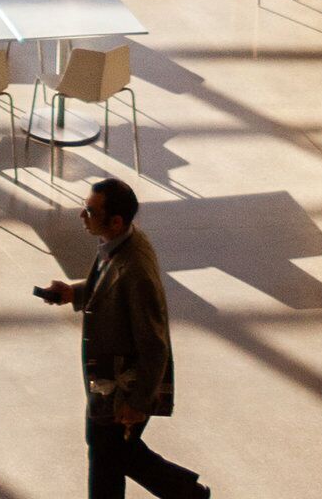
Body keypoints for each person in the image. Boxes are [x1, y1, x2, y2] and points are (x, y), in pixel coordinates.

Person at [36, 178, 209, 498]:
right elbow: (107, 289)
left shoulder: (136, 269)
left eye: (89, 211)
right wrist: (73, 293)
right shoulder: (117, 242)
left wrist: (138, 403)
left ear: (116, 221)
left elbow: (154, 345)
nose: (81, 215)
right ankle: (188, 493)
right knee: (110, 453)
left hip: (123, 385)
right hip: (111, 380)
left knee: (107, 455)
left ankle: (188, 493)